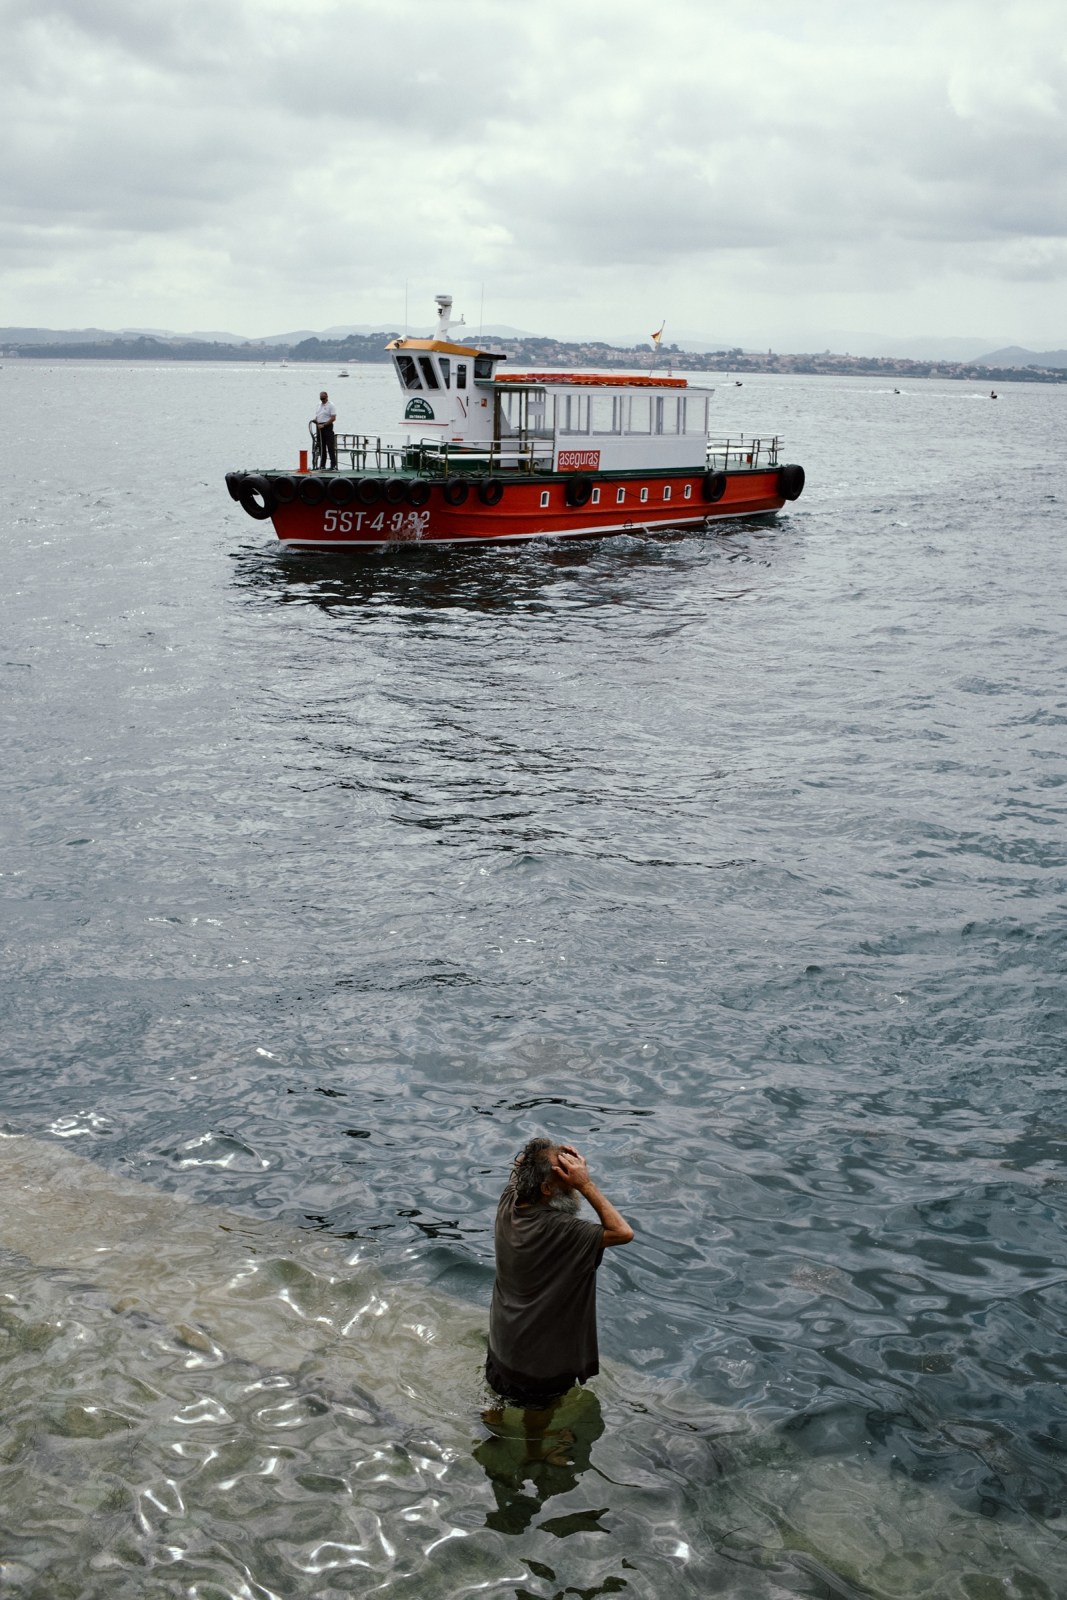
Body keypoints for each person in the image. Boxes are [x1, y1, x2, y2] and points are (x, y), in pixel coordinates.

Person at [486, 1138, 634, 1409]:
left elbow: (522, 1164)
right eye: (563, 1172)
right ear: (546, 1189)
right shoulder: (561, 1229)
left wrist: (553, 1154)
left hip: (501, 1342)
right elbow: (623, 1232)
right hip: (538, 1363)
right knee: (537, 1422)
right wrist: (585, 1184)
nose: (572, 1175)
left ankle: (490, 1429)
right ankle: (536, 1450)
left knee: (497, 1396)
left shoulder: (510, 1201)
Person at [314, 390, 337, 470]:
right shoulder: (318, 405)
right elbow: (317, 416)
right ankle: (322, 464)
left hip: (327, 426)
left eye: (323, 398)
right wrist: (316, 421)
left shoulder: (331, 405)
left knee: (330, 446)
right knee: (321, 446)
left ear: (327, 397)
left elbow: (333, 418)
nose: (322, 400)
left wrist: (324, 425)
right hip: (319, 427)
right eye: (321, 398)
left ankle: (333, 465)